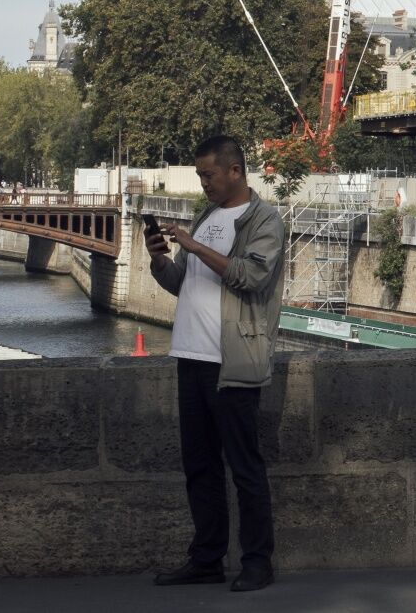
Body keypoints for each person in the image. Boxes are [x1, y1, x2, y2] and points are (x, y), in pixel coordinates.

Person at [146, 135, 288, 592]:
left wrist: (193, 243)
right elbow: (181, 284)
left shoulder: (263, 220)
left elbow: (250, 276)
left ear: (235, 171)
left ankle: (257, 563)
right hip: (191, 355)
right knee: (200, 467)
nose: (203, 182)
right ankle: (206, 558)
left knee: (245, 467)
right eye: (199, 175)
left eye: (208, 174)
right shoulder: (206, 217)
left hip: (233, 361)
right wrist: (159, 259)